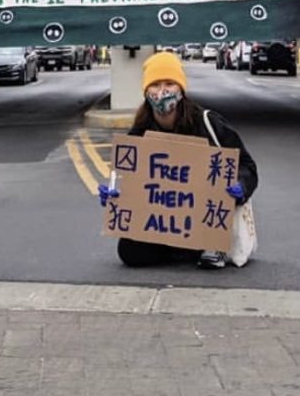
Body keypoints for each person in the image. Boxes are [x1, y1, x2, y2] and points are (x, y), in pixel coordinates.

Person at [101, 51, 258, 269]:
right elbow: (126, 177)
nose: (162, 91)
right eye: (155, 85)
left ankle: (203, 247)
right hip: (163, 222)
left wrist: (240, 186)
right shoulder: (139, 132)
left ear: (181, 89)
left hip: (204, 219)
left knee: (204, 242)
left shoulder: (207, 122)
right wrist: (115, 193)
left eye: (169, 84)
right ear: (146, 91)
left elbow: (247, 165)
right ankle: (178, 248)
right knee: (130, 252)